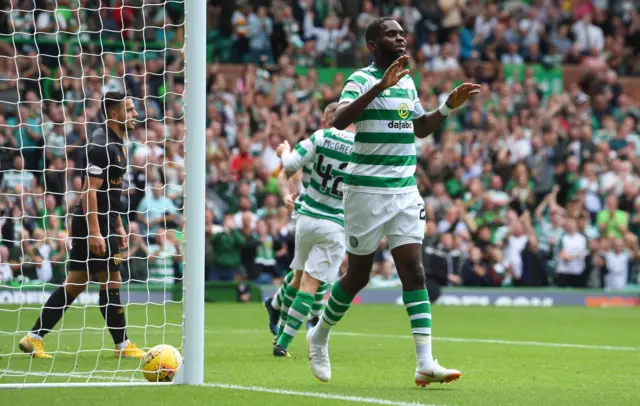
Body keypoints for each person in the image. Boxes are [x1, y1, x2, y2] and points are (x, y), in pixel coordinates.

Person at [306, 18, 479, 386]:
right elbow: (339, 120)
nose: (400, 38)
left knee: (414, 272)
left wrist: (449, 106)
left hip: (403, 190)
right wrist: (379, 87)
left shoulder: (408, 82)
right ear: (372, 44)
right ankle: (319, 334)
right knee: (357, 277)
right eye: (391, 34)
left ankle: (425, 362)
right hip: (365, 191)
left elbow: (419, 127)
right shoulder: (361, 79)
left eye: (402, 33)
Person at [19, 92, 145, 359]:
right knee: (112, 279)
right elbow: (89, 191)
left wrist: (119, 226)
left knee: (77, 282)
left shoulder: (118, 143)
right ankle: (122, 345)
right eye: (130, 110)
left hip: (105, 220)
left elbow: (113, 191)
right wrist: (96, 231)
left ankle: (33, 338)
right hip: (94, 221)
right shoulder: (101, 144)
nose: (136, 114)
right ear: (114, 114)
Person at [268, 103, 353, 357]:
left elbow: (290, 162)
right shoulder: (362, 147)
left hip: (306, 218)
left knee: (299, 277)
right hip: (335, 223)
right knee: (311, 284)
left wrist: (284, 150)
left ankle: (277, 314)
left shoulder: (320, 137)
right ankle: (284, 341)